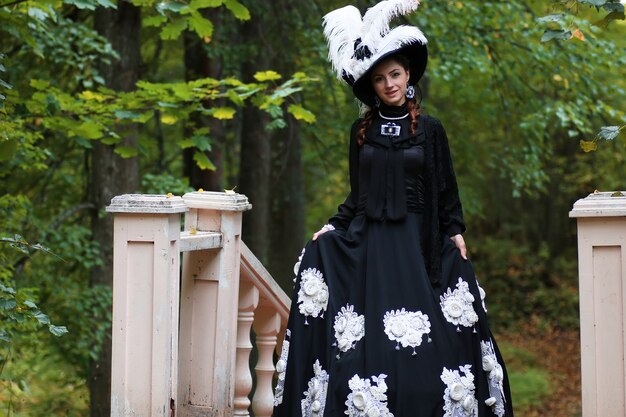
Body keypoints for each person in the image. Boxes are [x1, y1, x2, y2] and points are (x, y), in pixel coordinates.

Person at [272, 1, 514, 416]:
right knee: (367, 342)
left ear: (409, 77)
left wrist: (455, 230)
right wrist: (333, 227)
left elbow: (446, 189)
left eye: (396, 75)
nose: (390, 84)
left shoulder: (431, 129)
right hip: (370, 243)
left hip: (418, 243)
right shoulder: (361, 131)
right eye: (381, 79)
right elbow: (357, 195)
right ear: (372, 85)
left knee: (434, 336)